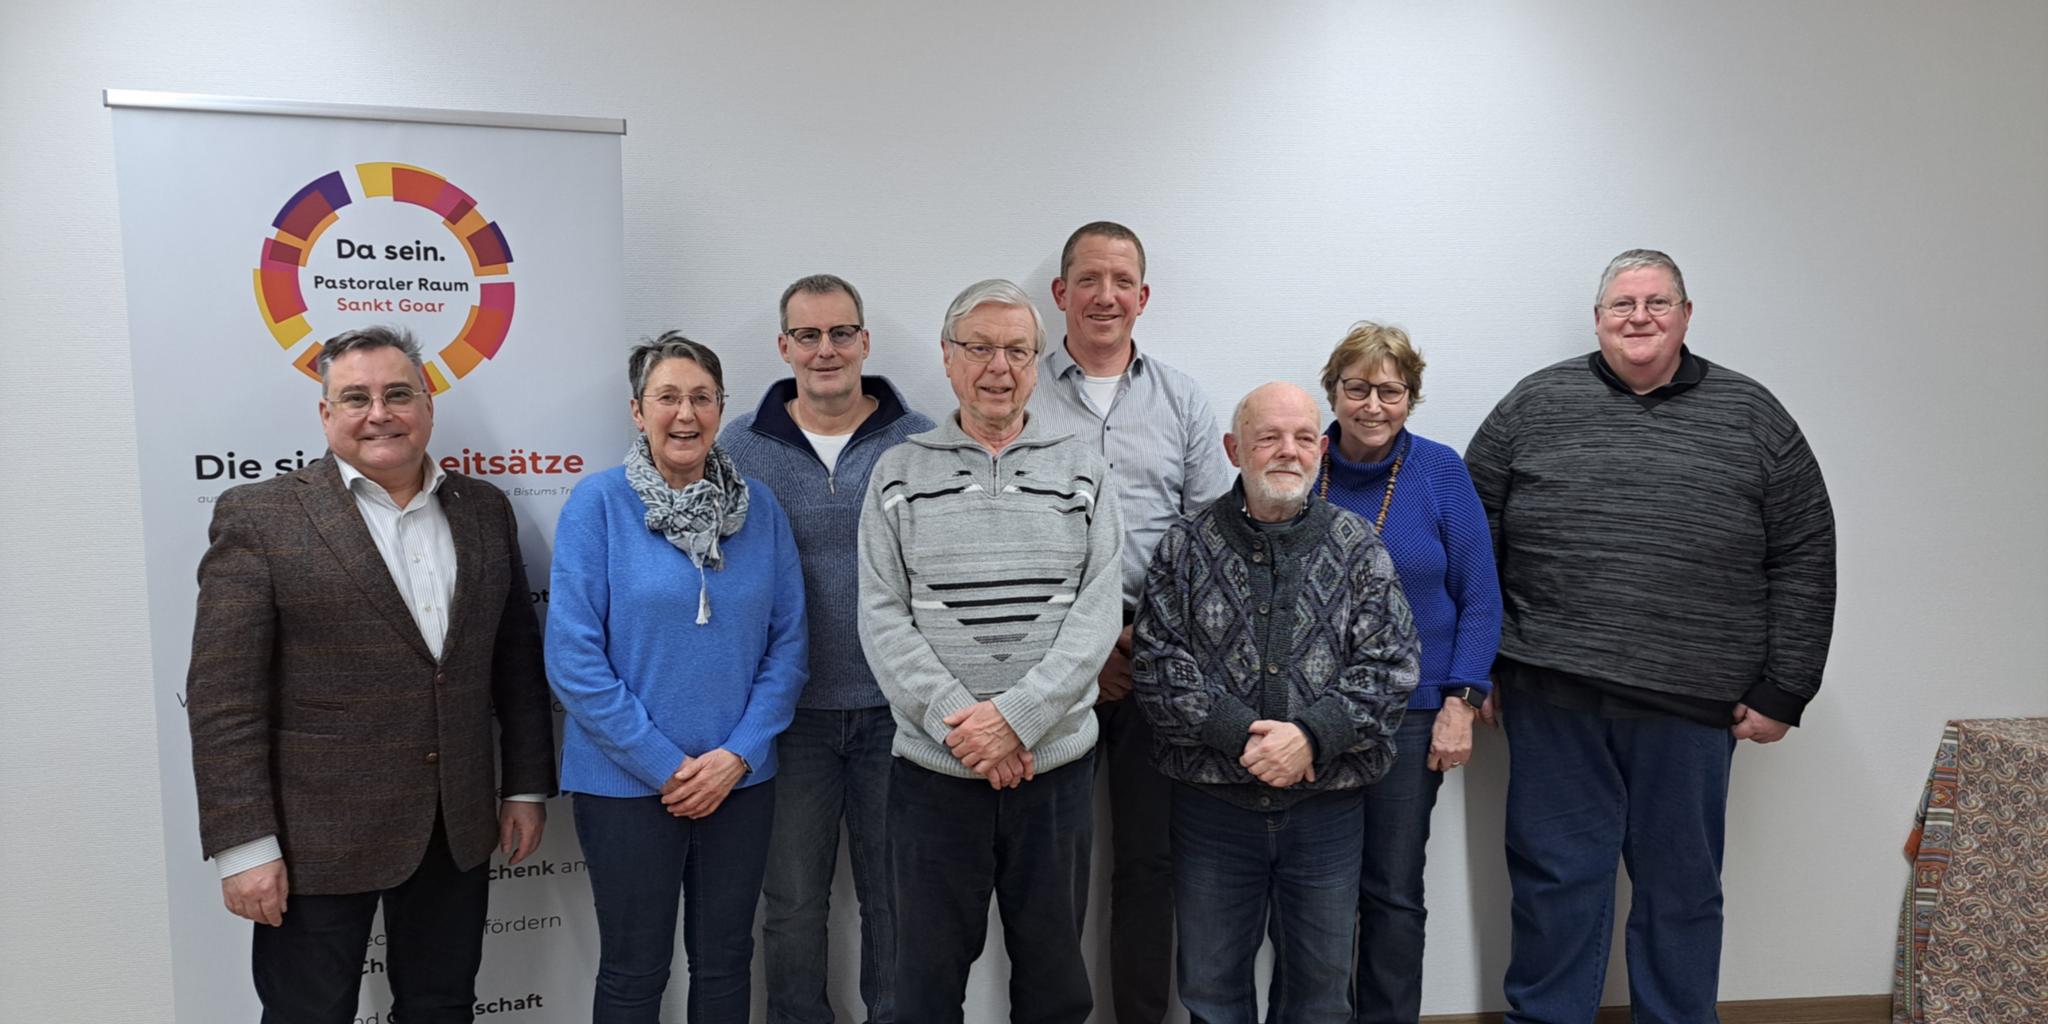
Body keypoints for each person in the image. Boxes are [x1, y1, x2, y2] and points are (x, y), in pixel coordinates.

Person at [1464, 249, 1836, 1024]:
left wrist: (1786, 687)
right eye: (1622, 304)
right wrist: (1476, 666)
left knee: (1682, 891)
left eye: (1657, 303)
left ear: (1687, 315)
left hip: (1694, 704)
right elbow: (1470, 535)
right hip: (1550, 691)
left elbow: (1805, 549)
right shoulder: (1534, 404)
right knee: (1555, 883)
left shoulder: (1754, 415)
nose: (1639, 317)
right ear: (1598, 320)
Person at [185, 325, 555, 1023]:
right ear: (326, 415)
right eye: (355, 397)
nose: (379, 413)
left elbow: (514, 662)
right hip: (314, 839)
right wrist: (244, 846)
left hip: (456, 823)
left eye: (397, 394)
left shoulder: (483, 511)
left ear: (428, 406)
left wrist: (526, 785)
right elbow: (224, 700)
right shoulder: (261, 518)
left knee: (443, 1007)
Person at [858, 279, 1122, 1024]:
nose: (997, 366)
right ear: (947, 359)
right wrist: (967, 726)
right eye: (979, 348)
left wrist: (1019, 719)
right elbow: (882, 615)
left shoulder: (1083, 469)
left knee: (1054, 984)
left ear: (1037, 364)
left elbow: (1097, 614)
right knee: (924, 986)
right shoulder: (898, 472)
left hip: (1055, 769)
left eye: (1016, 350)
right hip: (936, 773)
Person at [1132, 381, 1419, 1024]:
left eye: (1300, 438)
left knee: (1319, 998)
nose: (1286, 452)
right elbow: (1156, 667)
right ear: (1236, 449)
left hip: (1327, 812)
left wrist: (1310, 738)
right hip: (1211, 811)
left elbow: (1391, 665)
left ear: (1320, 450)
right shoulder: (1185, 545)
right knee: (1210, 993)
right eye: (1268, 437)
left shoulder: (1358, 549)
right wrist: (1246, 737)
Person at [547, 333, 807, 1023]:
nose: (684, 413)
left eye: (701, 398)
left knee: (725, 965)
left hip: (739, 783)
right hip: (625, 788)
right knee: (634, 972)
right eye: (667, 397)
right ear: (638, 410)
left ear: (721, 408)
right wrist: (665, 766)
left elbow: (788, 649)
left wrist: (734, 758)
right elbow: (573, 661)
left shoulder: (762, 511)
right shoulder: (597, 505)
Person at [1028, 220, 1233, 1023]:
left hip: (1159, 661)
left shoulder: (1182, 399)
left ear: (1142, 297)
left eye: (1122, 282)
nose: (1105, 296)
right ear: (1061, 294)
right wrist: (1085, 644)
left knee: (1150, 865)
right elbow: (1007, 528)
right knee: (1054, 868)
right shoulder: (1020, 392)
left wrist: (1137, 641)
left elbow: (1212, 539)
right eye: (1088, 279)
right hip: (1050, 667)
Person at [722, 274, 934, 1024]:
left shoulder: (923, 442)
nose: (825, 350)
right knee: (790, 905)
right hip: (791, 717)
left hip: (898, 712)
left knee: (897, 904)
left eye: (841, 333)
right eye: (807, 336)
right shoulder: (738, 447)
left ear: (865, 341)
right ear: (783, 347)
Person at [1311, 322, 1502, 1023]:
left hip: (1413, 715)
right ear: (1331, 392)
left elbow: (1481, 596)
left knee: (1391, 889)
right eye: (1356, 388)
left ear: (1411, 398)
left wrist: (1460, 701)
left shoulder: (1441, 471)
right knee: (1312, 887)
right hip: (1311, 717)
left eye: (1389, 391)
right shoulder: (1304, 463)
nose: (1371, 405)